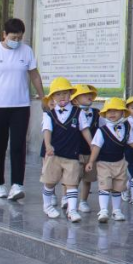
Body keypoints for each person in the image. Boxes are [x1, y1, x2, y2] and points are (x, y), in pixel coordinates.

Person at [0, 18, 45, 201]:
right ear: (4, 34)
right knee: (0, 145)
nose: (16, 41)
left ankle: (17, 185)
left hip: (20, 106)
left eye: (19, 38)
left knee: (18, 145)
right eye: (13, 37)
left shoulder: (26, 51)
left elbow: (34, 76)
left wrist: (43, 97)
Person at [86, 97, 133, 223]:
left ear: (123, 112)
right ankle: (103, 210)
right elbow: (96, 147)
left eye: (116, 110)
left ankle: (116, 210)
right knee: (104, 186)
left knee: (117, 187)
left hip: (120, 162)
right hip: (104, 163)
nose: (112, 113)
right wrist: (91, 161)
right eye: (109, 111)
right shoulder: (102, 130)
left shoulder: (127, 128)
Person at [39, 77, 91, 221]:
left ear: (70, 95)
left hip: (72, 155)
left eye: (65, 93)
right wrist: (48, 145)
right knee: (49, 181)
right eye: (58, 94)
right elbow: (47, 130)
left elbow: (85, 129)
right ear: (52, 97)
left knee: (72, 183)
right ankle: (47, 206)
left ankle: (72, 210)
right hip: (54, 155)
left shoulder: (78, 112)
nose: (62, 96)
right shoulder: (49, 114)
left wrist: (92, 145)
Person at [72, 85, 100, 214]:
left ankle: (83, 201)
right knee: (72, 178)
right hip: (75, 151)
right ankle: (67, 198)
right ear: (75, 100)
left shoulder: (97, 113)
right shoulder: (73, 113)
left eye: (90, 94)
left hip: (90, 152)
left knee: (88, 178)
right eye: (84, 95)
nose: (89, 96)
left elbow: (104, 129)